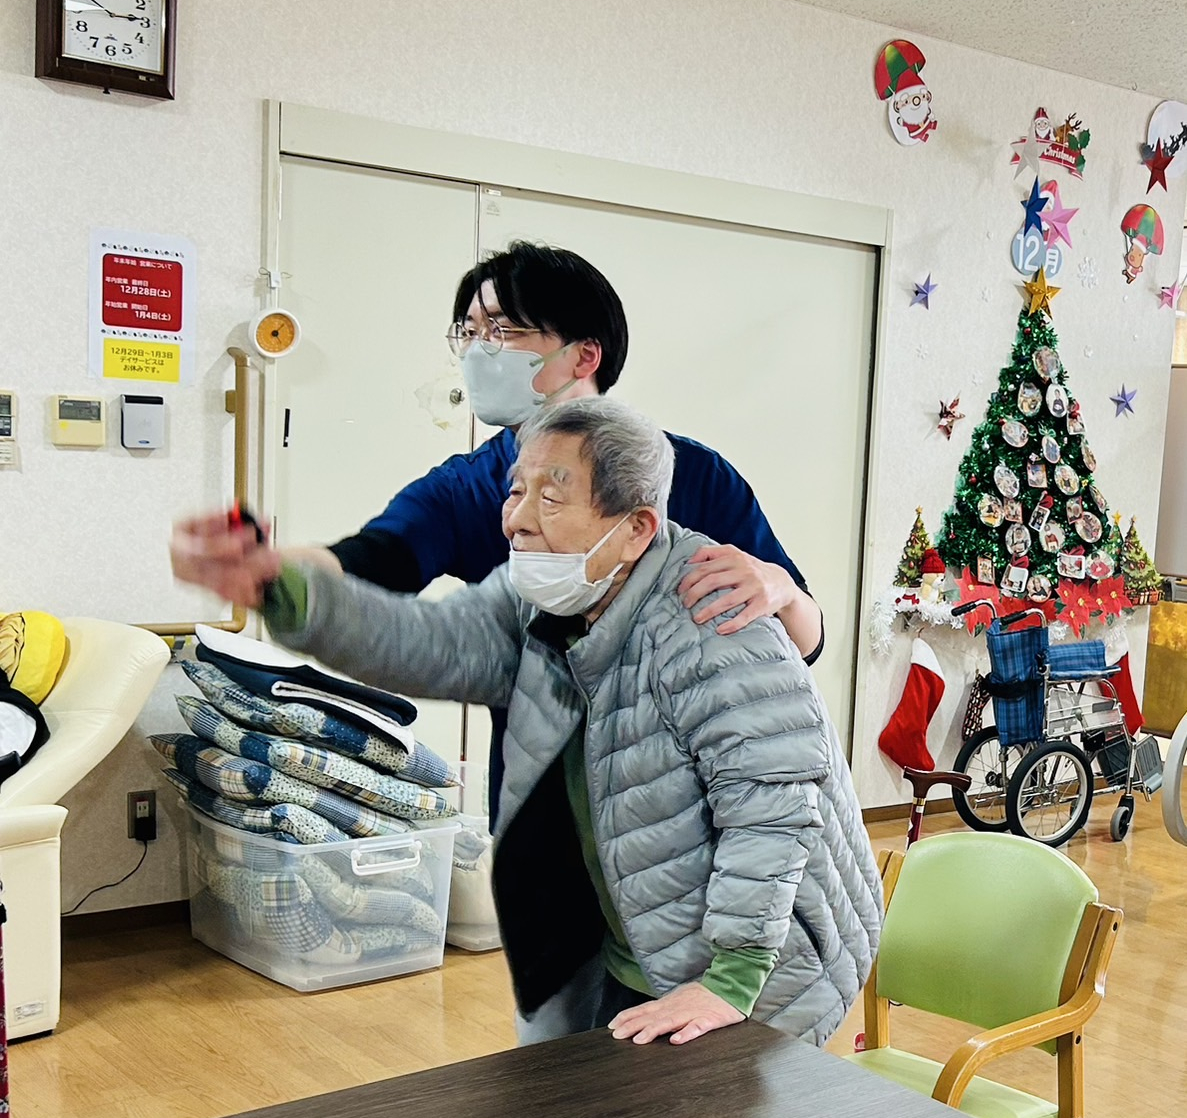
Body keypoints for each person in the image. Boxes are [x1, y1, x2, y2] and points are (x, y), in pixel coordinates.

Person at [177, 398, 881, 1047]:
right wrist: (281, 590)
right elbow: (423, 640)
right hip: (639, 940)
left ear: (635, 528)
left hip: (765, 963)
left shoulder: (710, 618)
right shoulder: (538, 598)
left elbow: (772, 807)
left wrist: (731, 979)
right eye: (516, 491)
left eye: (551, 494)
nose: (517, 518)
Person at [171, 242, 824, 815]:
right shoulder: (470, 485)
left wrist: (784, 592)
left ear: (583, 354)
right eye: (468, 330)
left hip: (689, 807)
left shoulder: (695, 476)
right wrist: (271, 570)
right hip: (543, 801)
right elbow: (373, 560)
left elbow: (803, 643)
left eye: (503, 329)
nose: (479, 349)